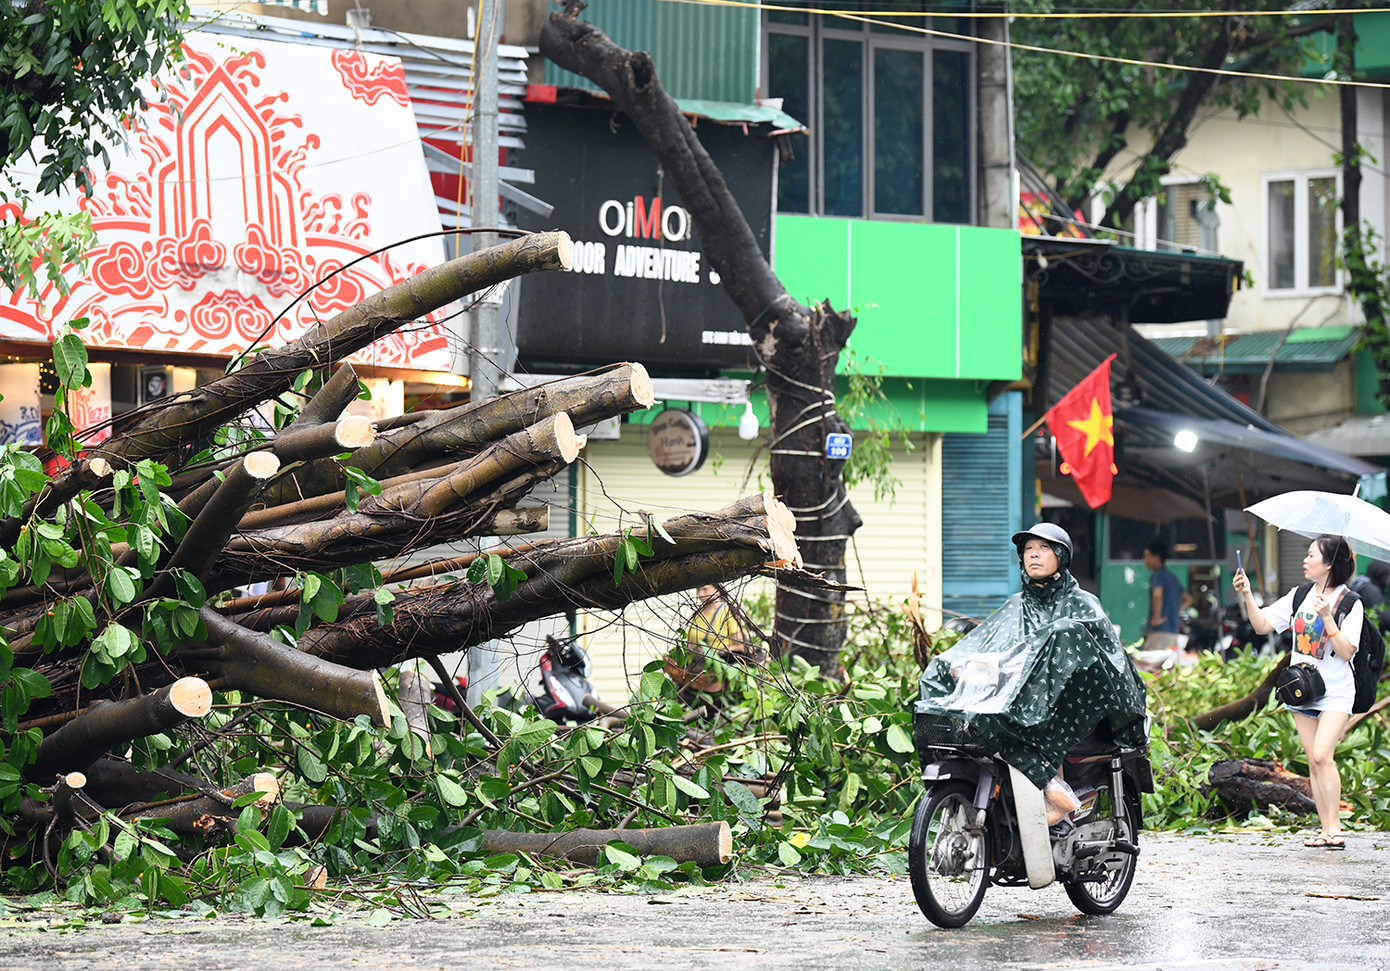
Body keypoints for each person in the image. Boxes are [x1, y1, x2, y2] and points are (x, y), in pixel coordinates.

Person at [916, 523, 1148, 824]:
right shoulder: (1016, 606)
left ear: (1061, 556)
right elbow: (989, 645)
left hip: (1080, 706)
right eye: (1028, 549)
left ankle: (1052, 789)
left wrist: (1054, 650)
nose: (1034, 555)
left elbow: (1107, 660)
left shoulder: (1083, 604)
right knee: (940, 674)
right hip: (1018, 698)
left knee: (1058, 645)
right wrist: (957, 665)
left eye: (1043, 548)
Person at [1232, 534, 1363, 850]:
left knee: (1322, 754)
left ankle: (1335, 828)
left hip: (1337, 692)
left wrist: (1328, 617)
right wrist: (1247, 594)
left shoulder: (1350, 602)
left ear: (1329, 564)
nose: (1305, 560)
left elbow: (1346, 651)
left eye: (1312, 555)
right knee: (1312, 761)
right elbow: (1263, 625)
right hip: (1303, 690)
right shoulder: (1300, 595)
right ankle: (1325, 829)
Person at [665, 583, 753, 694]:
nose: (700, 594)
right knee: (668, 662)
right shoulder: (698, 615)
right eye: (698, 590)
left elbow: (741, 646)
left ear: (718, 590)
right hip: (696, 663)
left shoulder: (727, 612)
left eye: (705, 589)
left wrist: (719, 651)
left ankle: (706, 688)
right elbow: (689, 644)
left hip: (716, 666)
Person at [1142, 541, 1185, 655]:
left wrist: (1156, 618)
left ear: (1157, 557)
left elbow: (1157, 596)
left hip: (1160, 631)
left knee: (1153, 662)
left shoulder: (1158, 575)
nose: (1145, 560)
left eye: (1147, 556)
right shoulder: (1172, 577)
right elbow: (1188, 599)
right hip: (1173, 630)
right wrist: (1174, 612)